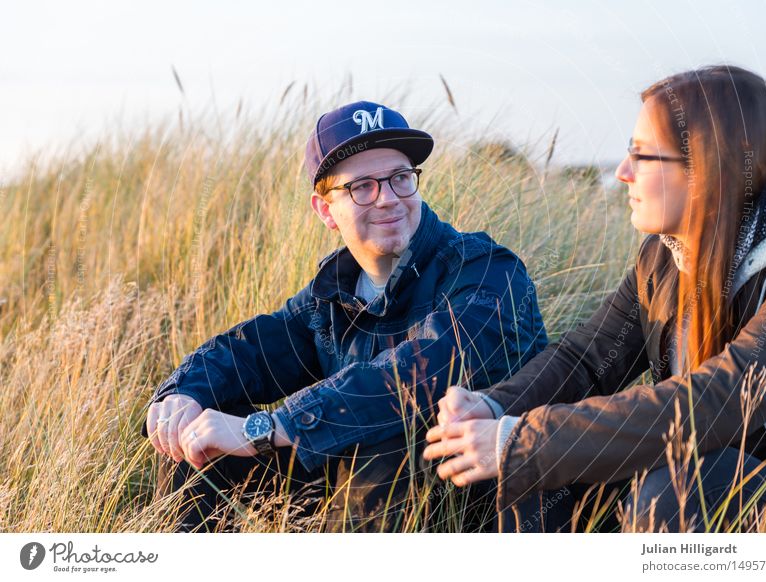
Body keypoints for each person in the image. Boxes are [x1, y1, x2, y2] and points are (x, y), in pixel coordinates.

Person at [141, 100, 548, 532]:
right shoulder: (332, 295)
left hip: (482, 508)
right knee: (201, 442)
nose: (389, 199)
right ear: (324, 210)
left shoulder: (487, 271)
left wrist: (270, 426)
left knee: (389, 439)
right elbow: (254, 349)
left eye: (400, 178)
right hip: (357, 504)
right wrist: (179, 396)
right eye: (362, 187)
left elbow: (421, 374)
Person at [424, 65, 766, 532]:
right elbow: (587, 359)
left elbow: (723, 400)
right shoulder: (665, 256)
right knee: (533, 474)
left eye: (642, 156)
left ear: (709, 168)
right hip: (700, 470)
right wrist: (497, 407)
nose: (622, 173)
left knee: (684, 487)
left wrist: (520, 440)